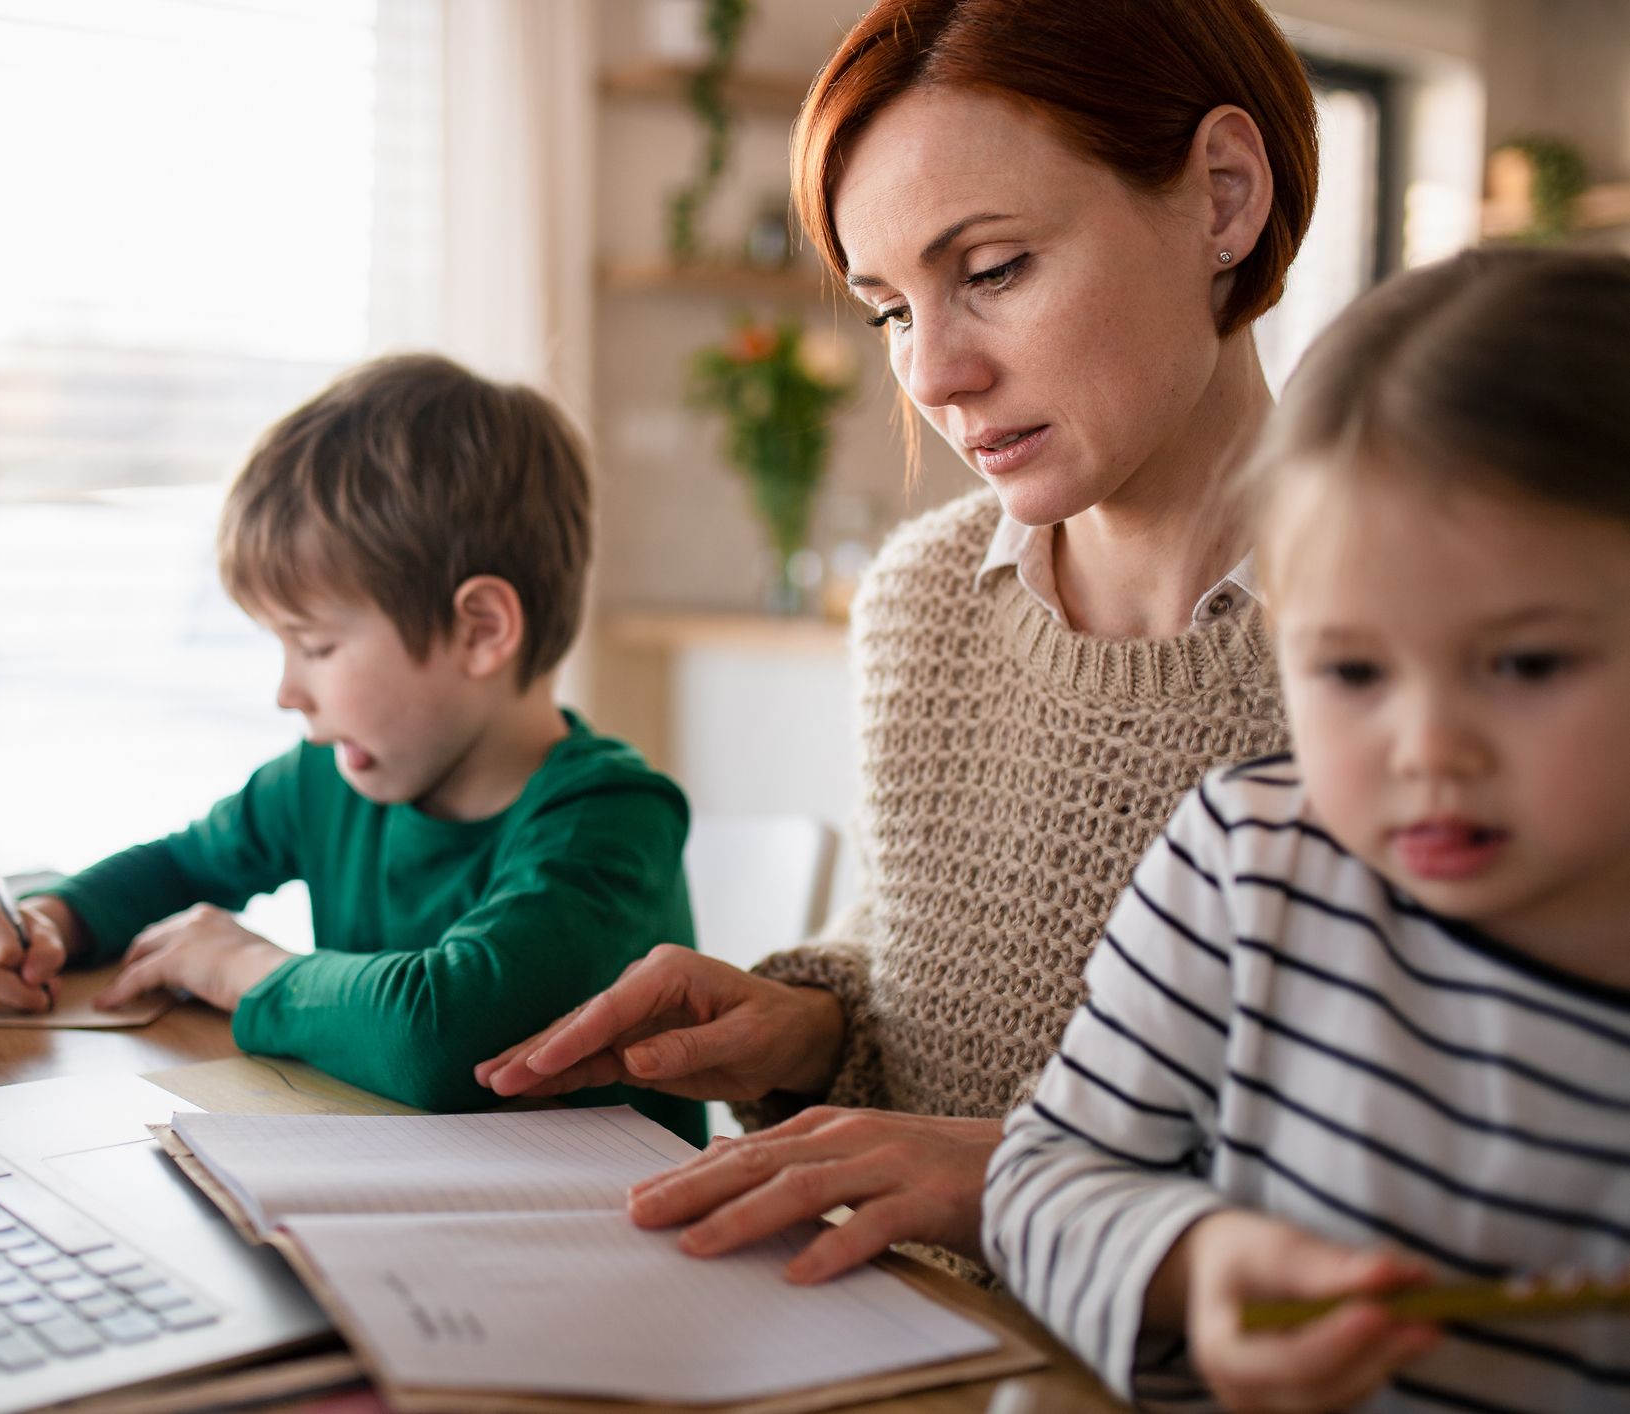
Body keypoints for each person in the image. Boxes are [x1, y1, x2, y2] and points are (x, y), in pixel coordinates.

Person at [478, 0, 1310, 1282]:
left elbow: (1494, 1205)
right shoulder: (923, 602)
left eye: (990, 271)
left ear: (1223, 196)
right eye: (890, 311)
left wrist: (1023, 1188)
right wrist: (812, 1024)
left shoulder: (1426, 655)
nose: (930, 376)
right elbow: (950, 973)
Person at [984, 248, 1630, 1412]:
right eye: (1350, 668)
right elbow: (1038, 1182)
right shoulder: (1247, 864)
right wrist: (1196, 1266)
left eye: (1526, 662)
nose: (1427, 748)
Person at [0, 354, 704, 1140]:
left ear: (480, 631)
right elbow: (182, 866)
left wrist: (241, 967)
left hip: (593, 1233)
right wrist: (49, 921)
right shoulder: (330, 779)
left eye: (317, 646)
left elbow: (445, 1032)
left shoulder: (611, 819)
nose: (287, 692)